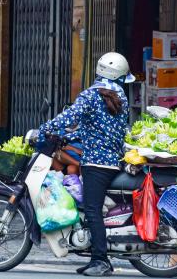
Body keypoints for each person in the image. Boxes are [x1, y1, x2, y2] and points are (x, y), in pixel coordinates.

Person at [38, 52, 134, 277]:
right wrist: (68, 136)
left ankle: (101, 260)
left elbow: (69, 117)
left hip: (95, 163)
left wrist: (44, 129)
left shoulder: (91, 95)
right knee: (91, 208)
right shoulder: (120, 96)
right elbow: (100, 129)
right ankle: (96, 257)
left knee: (92, 210)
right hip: (113, 161)